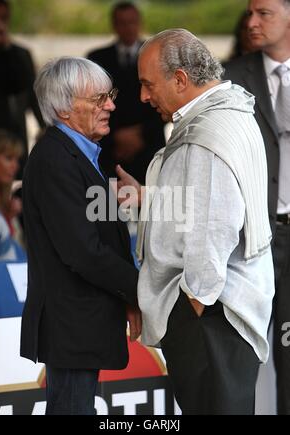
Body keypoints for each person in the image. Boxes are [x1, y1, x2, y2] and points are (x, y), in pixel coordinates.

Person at [115, 28, 275, 415]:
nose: (143, 96)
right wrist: (150, 195)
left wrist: (193, 304)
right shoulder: (230, 112)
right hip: (220, 312)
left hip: (210, 314)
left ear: (181, 80)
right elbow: (206, 200)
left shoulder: (207, 135)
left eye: (148, 84)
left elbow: (214, 227)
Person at [20, 56, 141, 415]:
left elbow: (100, 238)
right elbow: (84, 252)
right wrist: (140, 288)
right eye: (99, 98)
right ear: (64, 108)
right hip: (71, 325)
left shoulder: (78, 154)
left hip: (82, 323)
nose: (111, 105)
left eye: (110, 95)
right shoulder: (56, 159)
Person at [224, 0, 290, 415]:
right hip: (253, 237)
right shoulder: (230, 79)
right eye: (250, 12)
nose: (251, 22)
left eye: (263, 12)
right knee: (237, 355)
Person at [87, 1, 165, 184]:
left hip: (149, 147)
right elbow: (92, 102)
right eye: (122, 22)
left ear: (140, 23)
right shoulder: (97, 58)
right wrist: (116, 135)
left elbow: (166, 99)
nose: (128, 27)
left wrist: (140, 133)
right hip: (110, 149)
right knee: (108, 207)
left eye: (132, 22)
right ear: (114, 25)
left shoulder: (158, 56)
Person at [0, 0, 45, 177]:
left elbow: (26, 88)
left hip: (12, 136)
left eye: (3, 18)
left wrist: (5, 47)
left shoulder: (18, 53)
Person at [0, 129, 24, 260]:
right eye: (8, 158)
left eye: (17, 159)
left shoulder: (7, 203)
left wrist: (8, 218)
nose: (15, 166)